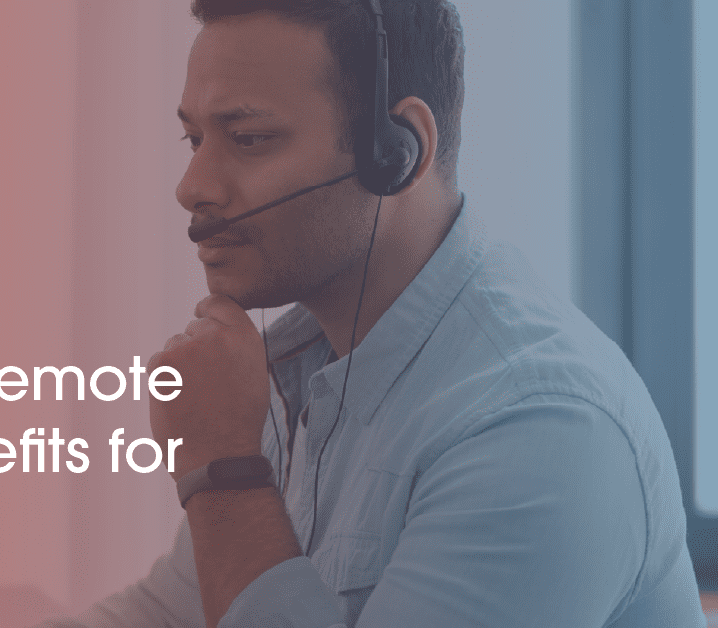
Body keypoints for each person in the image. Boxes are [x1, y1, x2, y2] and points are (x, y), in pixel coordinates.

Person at [43, 0, 706, 626]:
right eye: (194, 140)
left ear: (397, 153)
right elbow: (164, 614)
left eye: (248, 139)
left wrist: (224, 473)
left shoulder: (536, 425)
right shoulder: (288, 369)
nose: (192, 187)